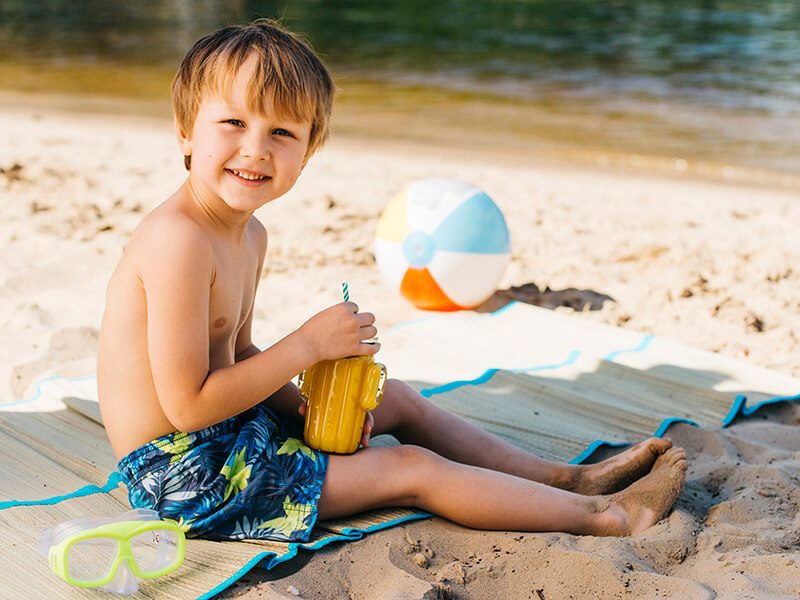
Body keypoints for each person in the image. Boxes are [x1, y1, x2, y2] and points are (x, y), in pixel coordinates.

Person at [97, 20, 687, 543]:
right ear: (184, 132)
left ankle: (568, 479)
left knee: (394, 399)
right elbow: (188, 405)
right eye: (232, 122)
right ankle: (607, 518)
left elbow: (240, 352)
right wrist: (306, 347)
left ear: (307, 153)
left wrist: (304, 410)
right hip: (183, 476)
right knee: (409, 469)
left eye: (282, 133)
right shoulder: (178, 239)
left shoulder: (249, 235)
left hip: (225, 434)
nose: (255, 149)